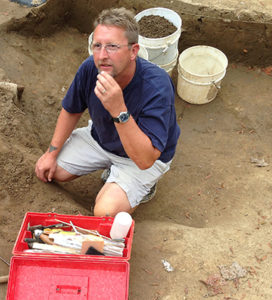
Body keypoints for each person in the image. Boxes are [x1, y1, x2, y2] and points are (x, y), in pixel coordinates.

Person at [35, 7, 180, 217]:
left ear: (133, 51)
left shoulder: (156, 85)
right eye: (97, 46)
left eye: (112, 46)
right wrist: (51, 153)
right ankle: (111, 169)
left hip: (141, 158)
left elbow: (145, 159)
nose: (102, 56)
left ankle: (144, 187)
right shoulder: (89, 69)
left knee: (104, 213)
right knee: (50, 171)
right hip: (100, 139)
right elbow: (71, 110)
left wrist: (119, 109)